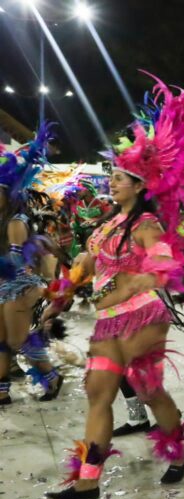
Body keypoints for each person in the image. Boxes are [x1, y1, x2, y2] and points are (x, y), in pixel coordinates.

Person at [44, 73, 184, 499]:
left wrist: (135, 280)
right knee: (98, 395)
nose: (111, 182)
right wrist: (63, 291)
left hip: (143, 315)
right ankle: (88, 481)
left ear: (140, 185)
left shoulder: (146, 224)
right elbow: (85, 265)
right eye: (111, 175)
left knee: (148, 391)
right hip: (107, 322)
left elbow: (164, 267)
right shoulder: (106, 224)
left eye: (119, 177)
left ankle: (178, 448)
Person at [0, 125, 66, 404]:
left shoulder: (15, 222)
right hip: (4, 287)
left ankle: (51, 376)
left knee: (18, 341)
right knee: (2, 341)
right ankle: (2, 392)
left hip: (20, 287)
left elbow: (14, 263)